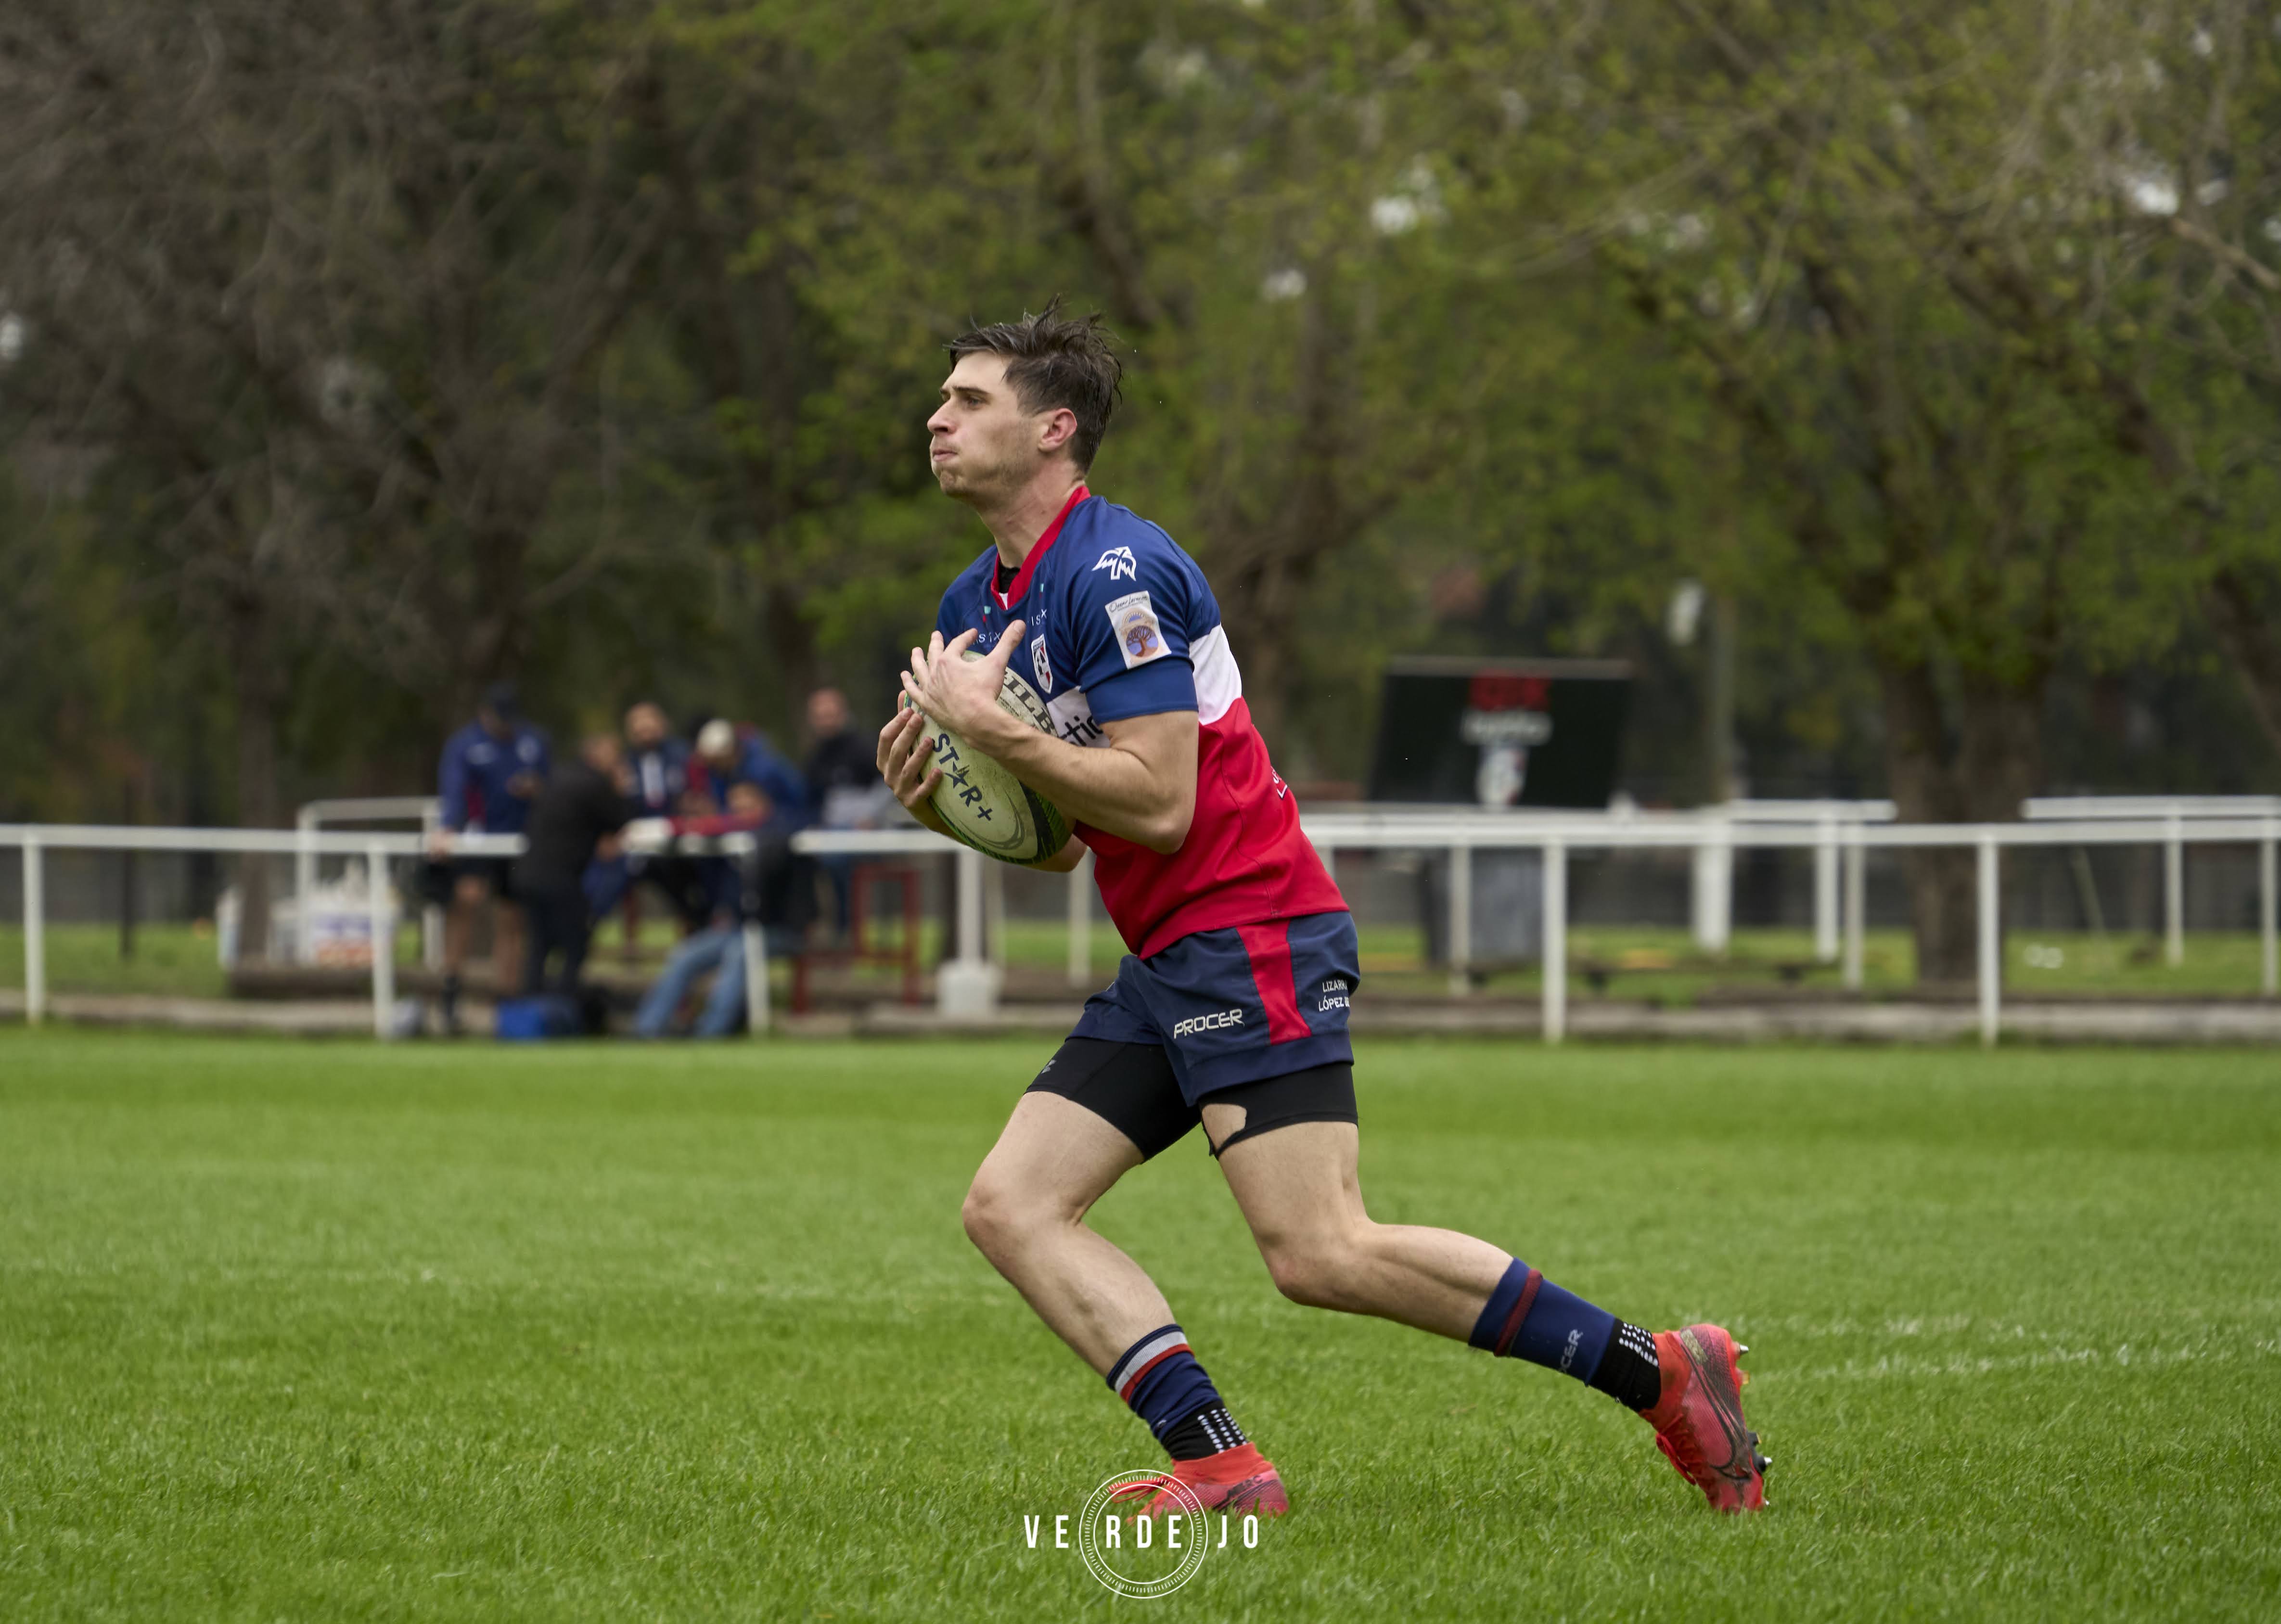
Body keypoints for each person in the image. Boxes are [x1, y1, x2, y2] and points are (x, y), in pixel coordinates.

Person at [878, 303, 1768, 1520]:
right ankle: (1223, 1466)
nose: (938, 417)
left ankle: (1666, 1373)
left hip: (1250, 927)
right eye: (943, 398)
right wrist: (950, 804)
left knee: (1321, 1251)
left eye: (970, 399)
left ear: (1053, 428)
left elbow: (1158, 806)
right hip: (1174, 951)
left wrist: (992, 729)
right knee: (1013, 1205)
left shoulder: (1116, 570)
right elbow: (1065, 844)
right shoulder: (980, 601)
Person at [428, 682, 548, 1030]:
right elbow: (455, 790)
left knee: (512, 918)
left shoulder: (533, 742)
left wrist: (535, 790)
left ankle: (506, 1000)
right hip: (477, 841)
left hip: (520, 842)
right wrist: (448, 827)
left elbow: (550, 784)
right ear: (485, 713)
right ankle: (451, 990)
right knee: (465, 903)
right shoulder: (465, 745)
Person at [631, 781, 771, 1038]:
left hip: (772, 927)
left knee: (738, 954)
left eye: (747, 807)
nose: (741, 815)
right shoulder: (722, 843)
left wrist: (701, 826)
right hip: (734, 929)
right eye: (735, 809)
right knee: (684, 956)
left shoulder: (776, 829)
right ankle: (646, 1029)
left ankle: (710, 1032)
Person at [511, 734, 634, 1002]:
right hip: (560, 877)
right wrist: (621, 787)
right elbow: (620, 820)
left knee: (539, 946)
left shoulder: (557, 776)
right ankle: (561, 1006)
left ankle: (530, 1010)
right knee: (576, 942)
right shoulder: (595, 784)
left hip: (528, 874)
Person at [802, 687, 893, 936]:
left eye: (830, 714)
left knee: (836, 858)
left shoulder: (865, 746)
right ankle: (811, 928)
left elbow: (889, 783)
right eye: (820, 716)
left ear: (843, 713)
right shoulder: (816, 756)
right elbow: (813, 801)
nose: (826, 721)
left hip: (868, 834)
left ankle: (848, 928)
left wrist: (870, 816)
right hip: (832, 835)